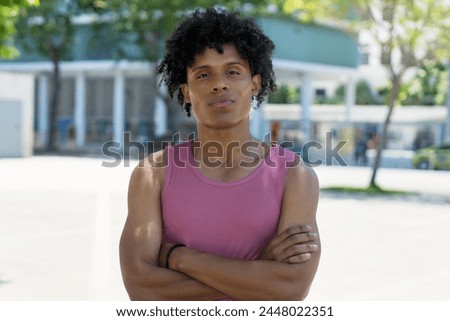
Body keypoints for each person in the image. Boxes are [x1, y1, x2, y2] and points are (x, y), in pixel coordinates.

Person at [119, 8, 321, 301]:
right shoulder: (154, 173)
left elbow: (291, 288)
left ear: (255, 83)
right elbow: (141, 287)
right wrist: (257, 272)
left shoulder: (294, 176)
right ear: (186, 91)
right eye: (204, 74)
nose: (219, 83)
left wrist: (178, 258)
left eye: (233, 71)